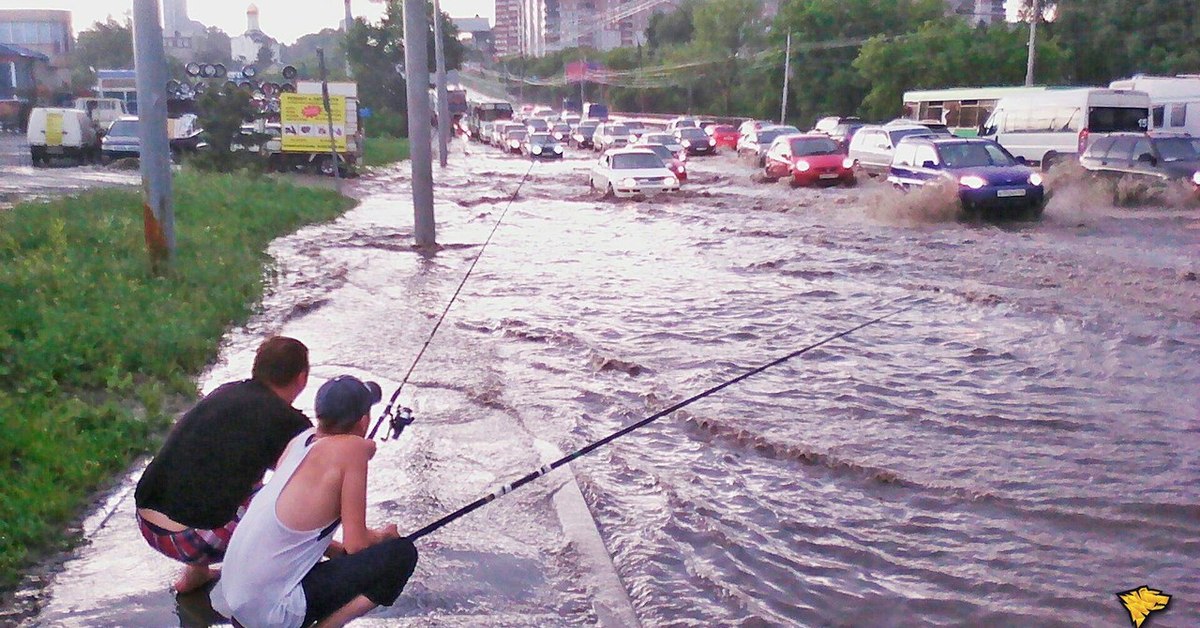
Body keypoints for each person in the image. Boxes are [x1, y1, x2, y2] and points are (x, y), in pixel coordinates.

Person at [212, 375, 419, 628]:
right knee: (401, 554)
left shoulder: (301, 441)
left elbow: (295, 530)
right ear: (364, 421)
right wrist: (384, 537)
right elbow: (357, 545)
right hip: (271, 613)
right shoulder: (353, 451)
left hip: (237, 601)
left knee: (341, 556)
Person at [134, 336, 313, 593]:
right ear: (302, 378)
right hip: (192, 539)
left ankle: (196, 574)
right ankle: (262, 588)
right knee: (287, 496)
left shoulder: (227, 391)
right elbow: (310, 481)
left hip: (147, 521)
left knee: (229, 474)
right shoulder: (288, 423)